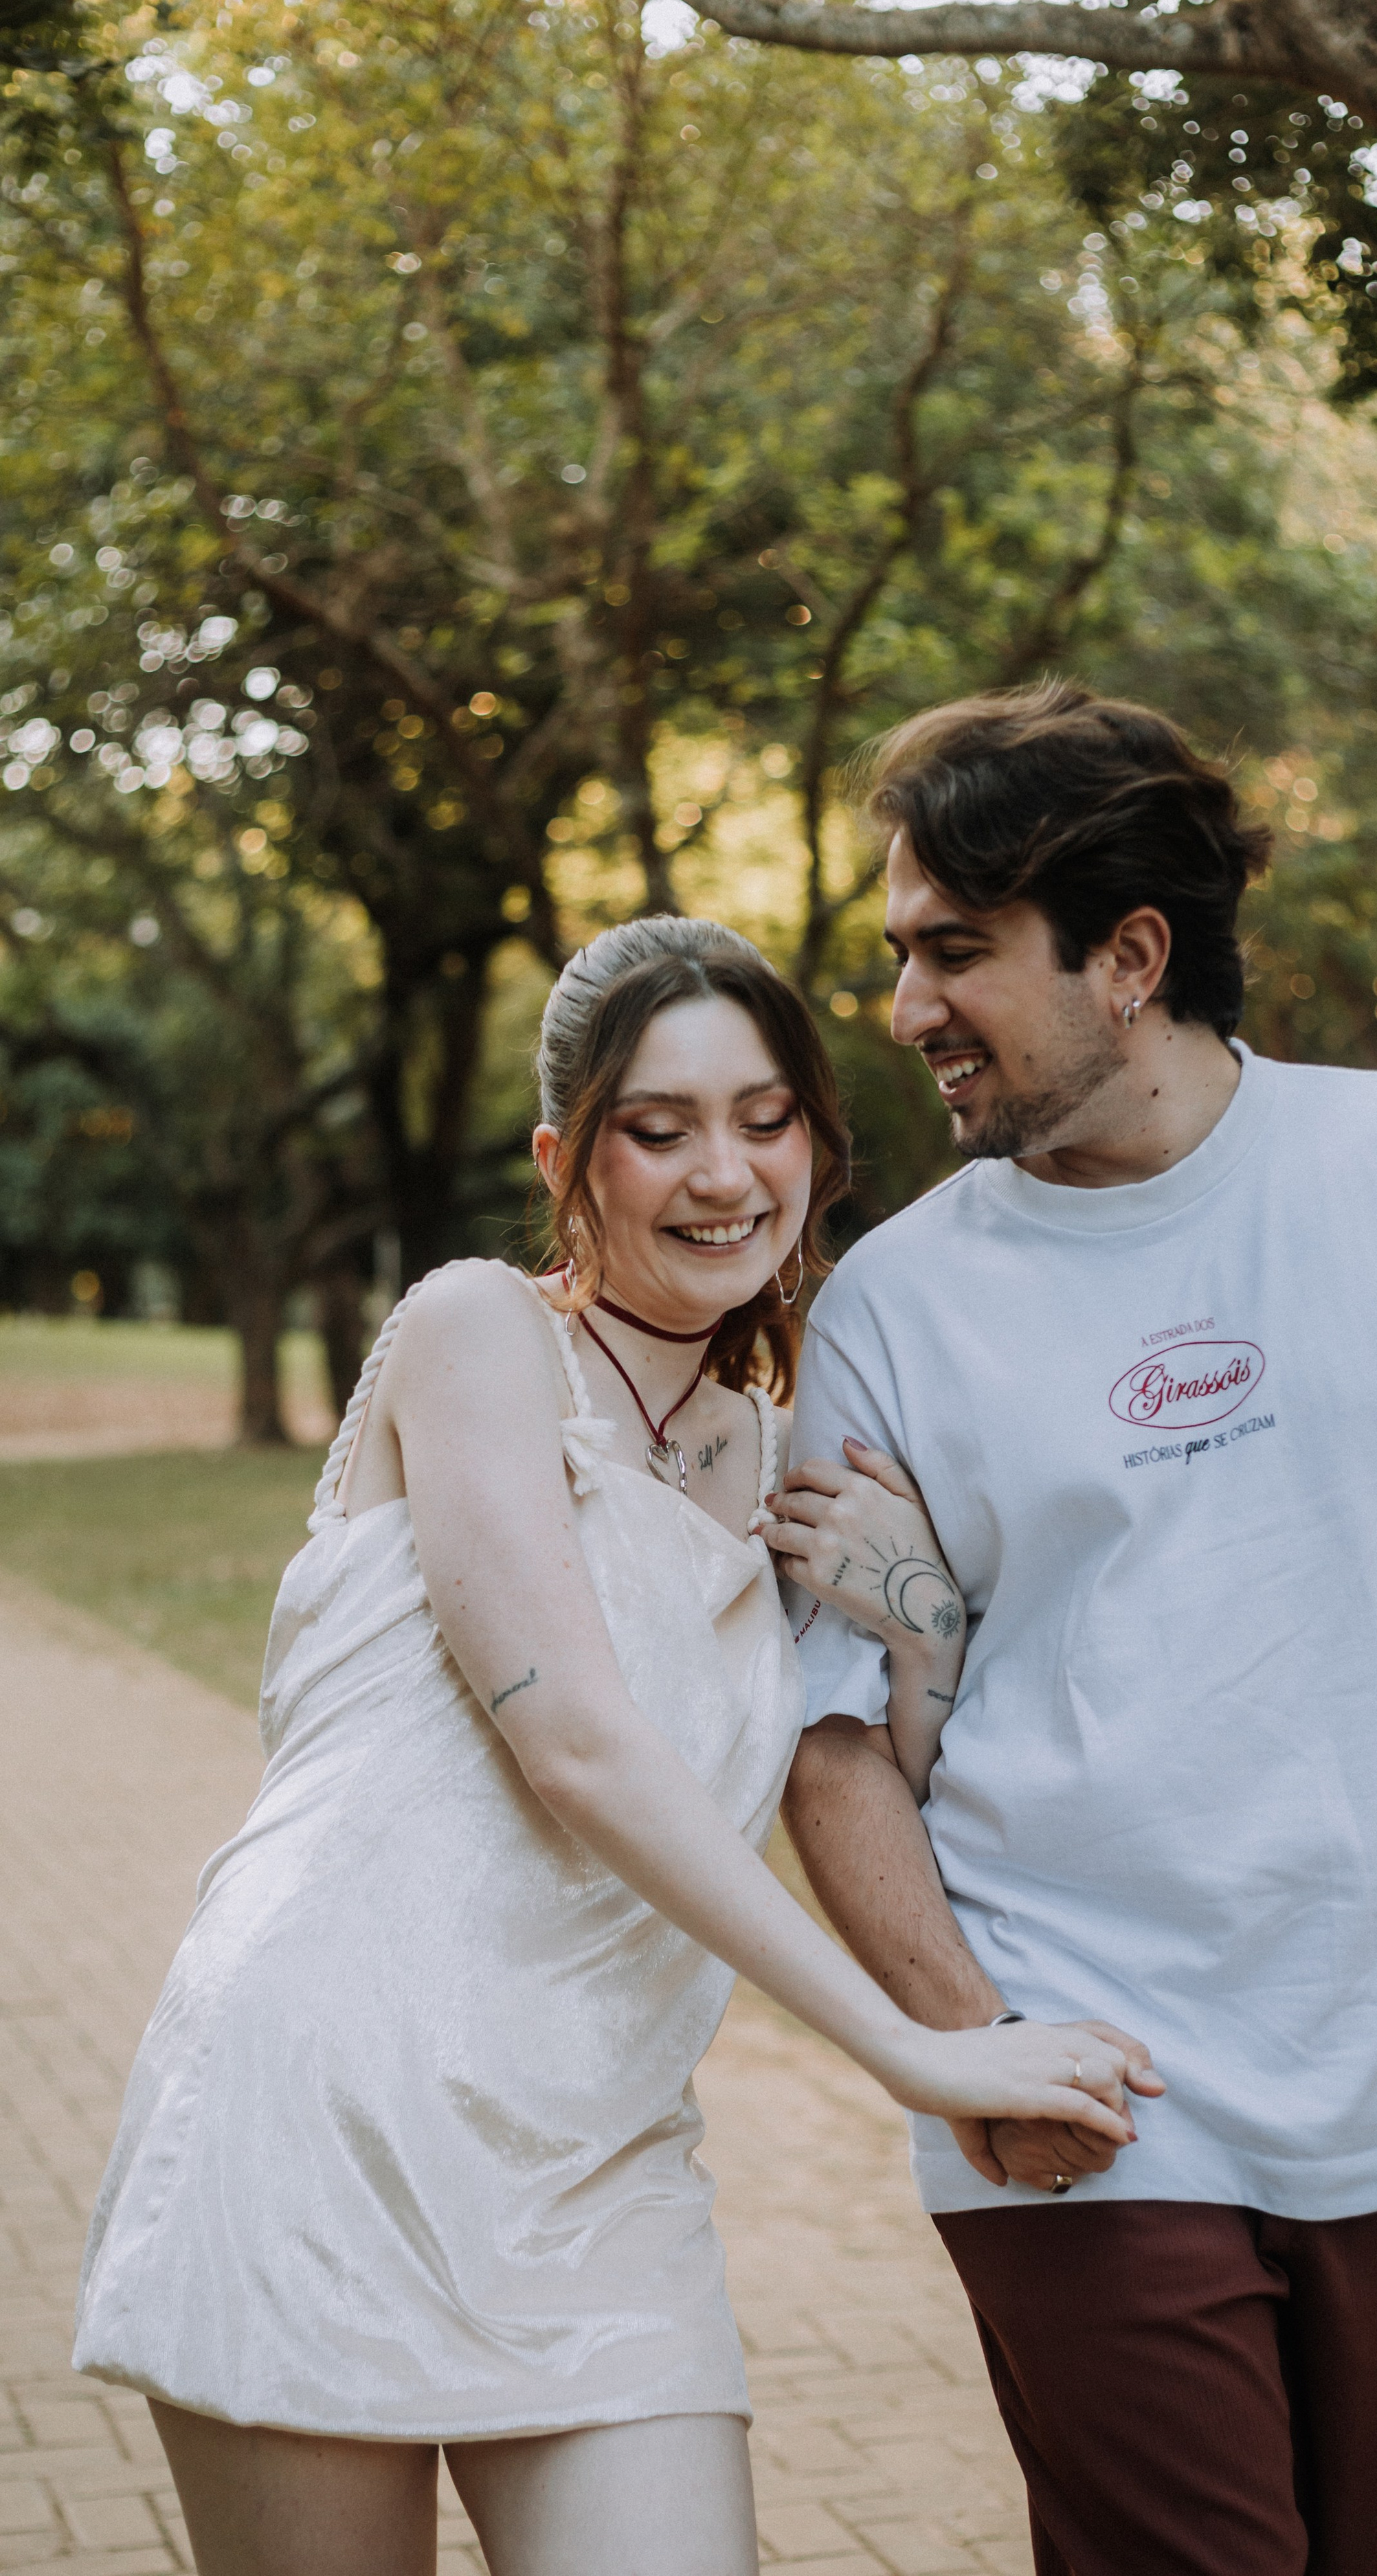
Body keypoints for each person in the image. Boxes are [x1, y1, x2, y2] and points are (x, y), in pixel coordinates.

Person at [762, 684, 1377, 2576]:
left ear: (1130, 955)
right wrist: (977, 2046)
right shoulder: (891, 1309)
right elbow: (824, 1747)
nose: (903, 1014)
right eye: (899, 957)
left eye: (953, 953)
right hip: (1080, 2091)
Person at [72, 914, 1155, 2576]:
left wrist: (919, 1629)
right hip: (326, 2110)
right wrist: (910, 2053)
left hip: (599, 2159)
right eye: (657, 1130)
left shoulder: (782, 1457)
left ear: (815, 1135)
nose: (723, 1172)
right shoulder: (475, 1337)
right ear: (563, 1158)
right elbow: (570, 1740)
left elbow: (851, 1772)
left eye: (764, 1116)